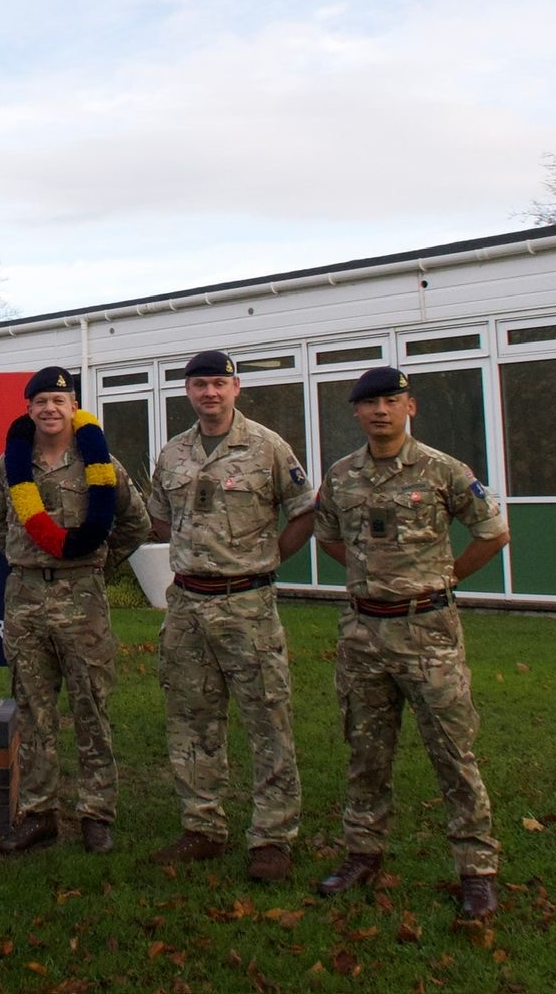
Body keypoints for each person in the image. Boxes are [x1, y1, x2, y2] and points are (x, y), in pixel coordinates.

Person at [306, 365, 510, 920]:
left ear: (409, 407)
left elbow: (493, 531)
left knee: (453, 752)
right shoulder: (342, 475)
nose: (379, 411)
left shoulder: (442, 470)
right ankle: (362, 854)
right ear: (356, 413)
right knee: (365, 752)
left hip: (428, 633)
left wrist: (446, 580)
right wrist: (371, 580)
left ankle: (476, 870)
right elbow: (326, 537)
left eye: (390, 402)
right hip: (364, 634)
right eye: (369, 403)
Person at [146, 349, 315, 882]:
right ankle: (202, 826)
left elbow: (304, 511)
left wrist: (263, 562)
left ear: (236, 387)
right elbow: (157, 522)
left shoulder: (267, 447)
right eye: (199, 385)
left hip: (249, 607)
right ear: (188, 393)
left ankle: (273, 837)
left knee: (267, 720)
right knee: (191, 721)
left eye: (219, 383)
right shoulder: (172, 455)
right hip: (188, 607)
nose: (209, 393)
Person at [0, 366, 151, 855]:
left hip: (84, 601)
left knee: (91, 706)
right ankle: (38, 813)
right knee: (34, 710)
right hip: (26, 601)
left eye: (59, 399)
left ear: (72, 404)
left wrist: (92, 562)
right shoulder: (9, 465)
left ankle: (96, 814)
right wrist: (29, 560)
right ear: (29, 409)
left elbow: (134, 524)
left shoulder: (100, 463)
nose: (50, 409)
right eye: (41, 402)